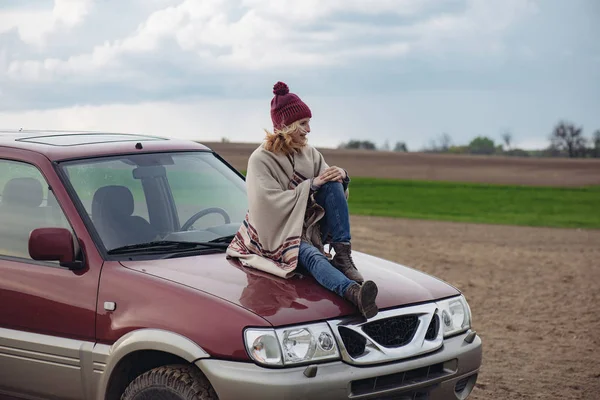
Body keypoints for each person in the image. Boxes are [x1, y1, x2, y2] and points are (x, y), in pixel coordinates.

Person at [226, 81, 378, 319]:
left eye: (309, 123)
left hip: (309, 226)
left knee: (332, 181)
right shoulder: (260, 159)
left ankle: (343, 256)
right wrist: (310, 186)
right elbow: (266, 203)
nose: (308, 130)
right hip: (276, 233)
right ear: (286, 125)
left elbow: (333, 195)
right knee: (312, 256)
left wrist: (341, 176)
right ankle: (354, 294)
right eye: (303, 124)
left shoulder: (311, 153)